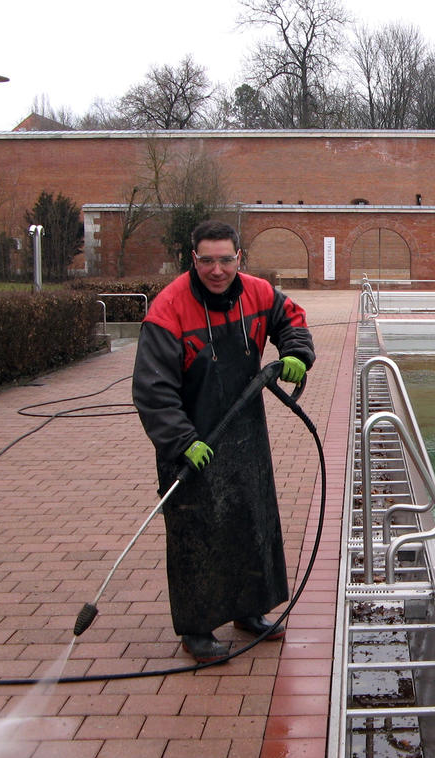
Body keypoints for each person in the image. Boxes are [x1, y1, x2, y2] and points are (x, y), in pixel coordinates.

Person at [132, 220, 315, 662]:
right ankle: (197, 628)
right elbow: (152, 389)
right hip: (193, 436)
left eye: (226, 259)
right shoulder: (169, 308)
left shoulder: (257, 292)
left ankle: (250, 610)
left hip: (245, 433)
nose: (217, 270)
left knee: (251, 520)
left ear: (239, 258)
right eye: (207, 260)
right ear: (193, 259)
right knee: (196, 530)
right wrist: (181, 441)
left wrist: (294, 353)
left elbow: (291, 319)